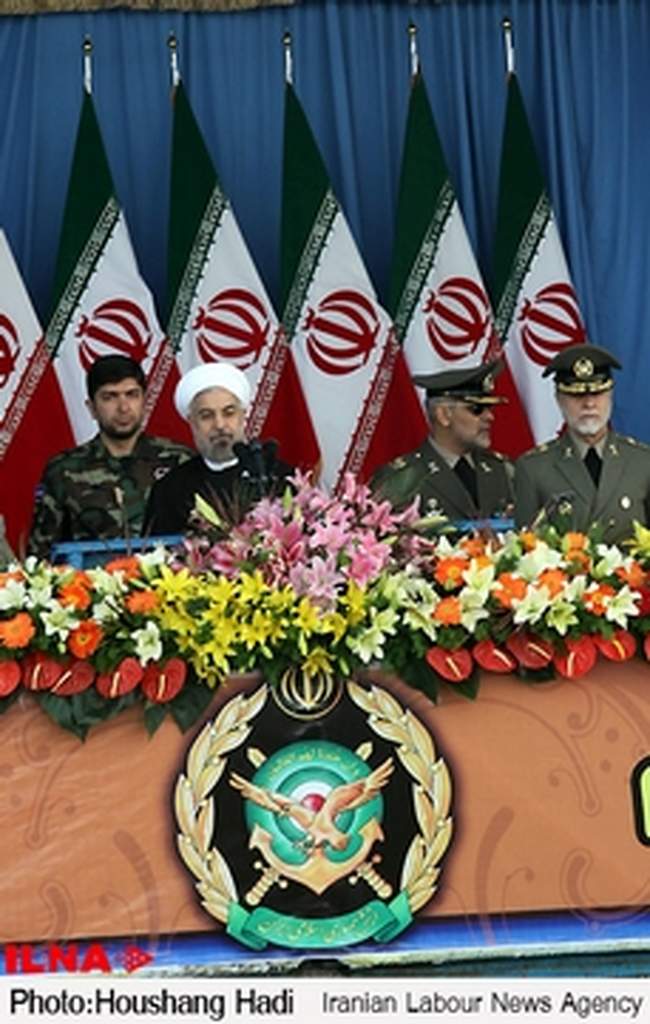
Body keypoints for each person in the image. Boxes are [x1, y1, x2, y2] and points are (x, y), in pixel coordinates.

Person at [28, 355, 192, 561]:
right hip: (90, 579)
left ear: (144, 401)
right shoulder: (63, 469)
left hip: (170, 578)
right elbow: (41, 555)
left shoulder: (180, 460)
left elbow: (203, 541)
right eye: (110, 397)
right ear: (92, 408)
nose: (123, 408)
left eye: (132, 395)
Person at [514, 344, 650, 543]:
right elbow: (525, 547)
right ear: (559, 399)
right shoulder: (534, 468)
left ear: (610, 395)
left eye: (597, 393)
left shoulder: (642, 461)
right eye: (577, 395)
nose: (589, 404)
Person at [143, 362, 290, 535]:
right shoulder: (170, 490)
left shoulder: (277, 477)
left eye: (229, 413)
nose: (219, 425)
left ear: (243, 416)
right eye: (206, 416)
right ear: (191, 422)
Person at [372, 361, 514, 522]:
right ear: (444, 415)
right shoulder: (400, 478)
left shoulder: (504, 471)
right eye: (477, 409)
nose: (490, 417)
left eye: (490, 408)